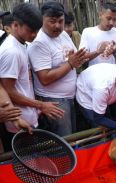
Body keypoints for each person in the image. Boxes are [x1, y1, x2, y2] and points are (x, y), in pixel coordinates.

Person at [0, 3, 64, 151]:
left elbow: (22, 85)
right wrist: (40, 105)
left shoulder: (22, 45)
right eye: (31, 30)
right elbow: (8, 91)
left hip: (27, 116)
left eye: (37, 30)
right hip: (18, 122)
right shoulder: (11, 52)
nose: (35, 35)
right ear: (15, 25)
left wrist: (36, 108)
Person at [28, 1, 87, 136]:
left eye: (61, 21)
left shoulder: (64, 34)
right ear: (41, 20)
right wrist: (70, 64)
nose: (58, 26)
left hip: (70, 96)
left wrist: (82, 57)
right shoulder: (39, 43)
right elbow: (45, 78)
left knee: (72, 135)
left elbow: (73, 57)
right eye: (52, 21)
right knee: (64, 139)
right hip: (54, 101)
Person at [76, 63, 116, 136]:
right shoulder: (101, 87)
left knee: (110, 123)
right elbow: (98, 118)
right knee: (99, 128)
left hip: (101, 92)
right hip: (86, 97)